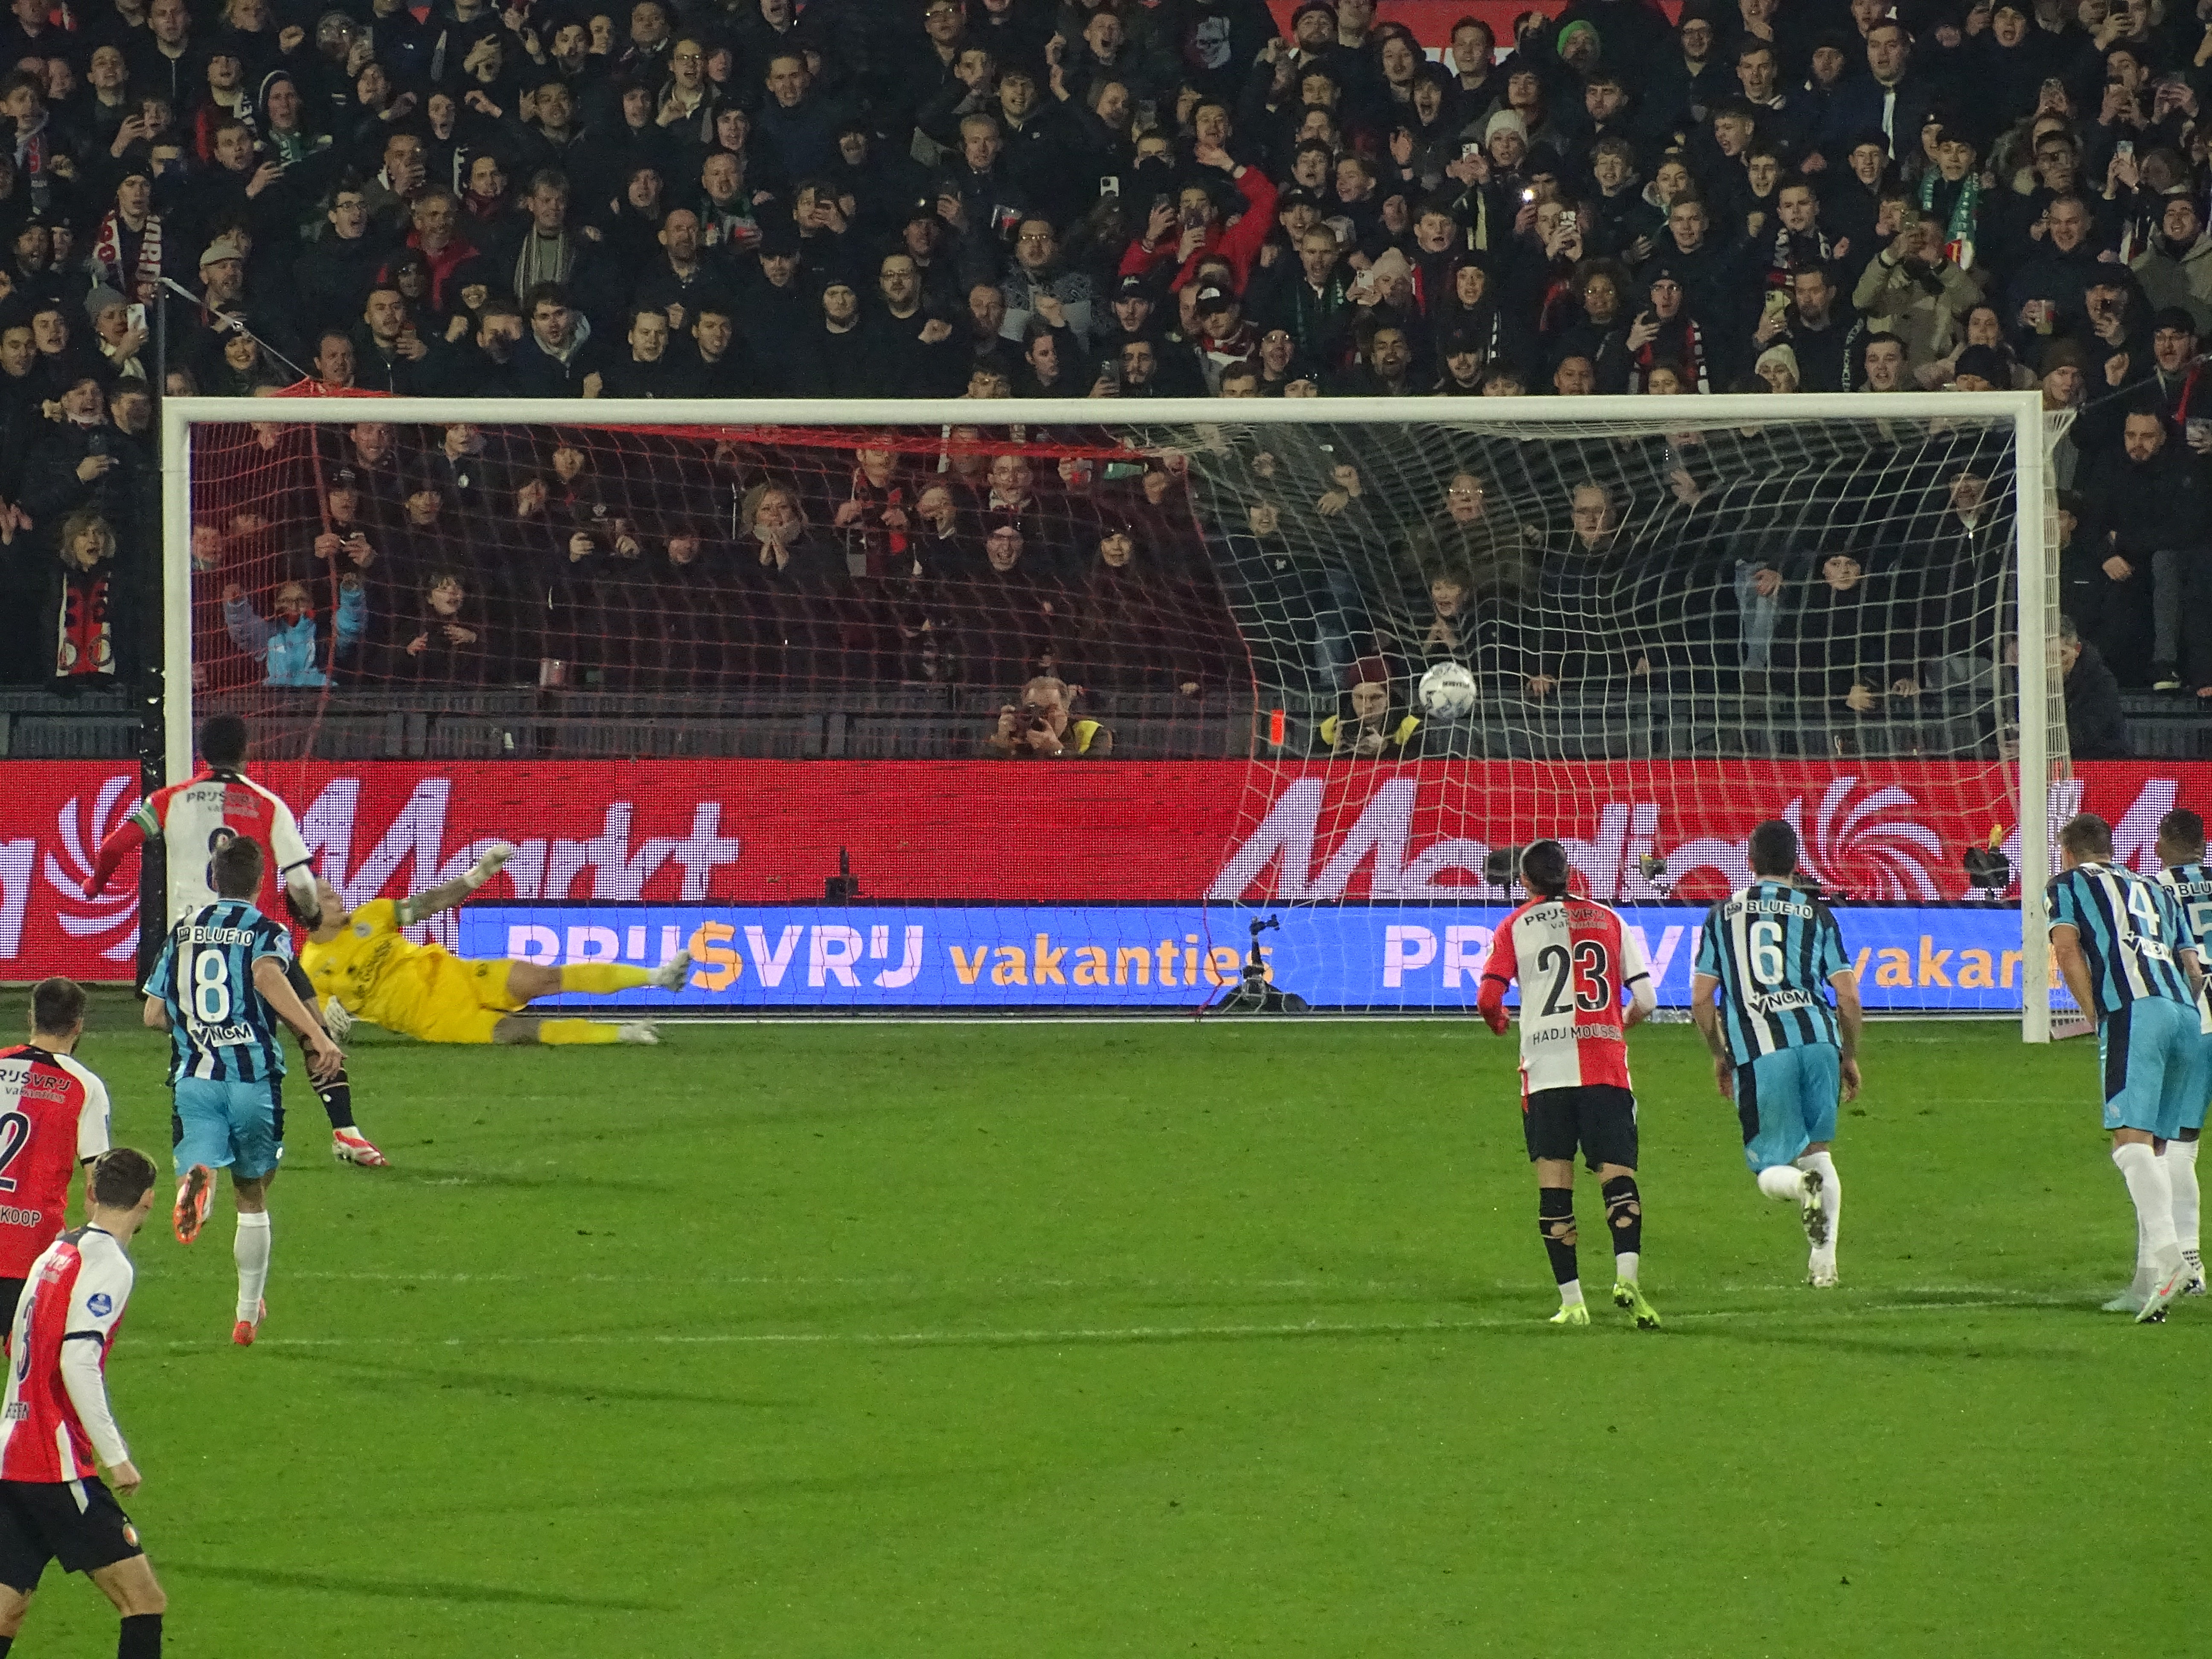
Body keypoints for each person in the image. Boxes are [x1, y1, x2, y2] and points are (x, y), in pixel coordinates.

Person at [81, 713, 386, 1167]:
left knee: (179, 1029)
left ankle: (197, 1142)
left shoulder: (168, 800)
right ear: (247, 752)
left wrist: (95, 885)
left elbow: (111, 847)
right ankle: (346, 1131)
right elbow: (301, 880)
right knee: (311, 1028)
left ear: (202, 752)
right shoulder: (267, 804)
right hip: (251, 940)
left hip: (189, 940)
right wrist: (311, 913)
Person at [143, 837, 342, 1345]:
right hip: (253, 1080)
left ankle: (198, 1177)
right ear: (259, 883)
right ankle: (247, 1314)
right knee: (253, 1196)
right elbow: (267, 976)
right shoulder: (265, 931)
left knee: (205, 1161)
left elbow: (153, 1014)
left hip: (195, 1080)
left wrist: (196, 1027)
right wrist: (316, 1035)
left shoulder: (183, 930)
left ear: (215, 878)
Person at [1474, 840, 1661, 1329]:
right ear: (1570, 874)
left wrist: (1498, 1022)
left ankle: (1573, 1303)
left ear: (1527, 883)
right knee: (1616, 1176)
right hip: (1605, 1069)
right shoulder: (1611, 920)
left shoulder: (1514, 925)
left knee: (1555, 1183)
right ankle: (1628, 1281)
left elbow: (1488, 996)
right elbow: (1647, 998)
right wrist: (1613, 1025)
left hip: (1546, 1073)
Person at [0, 1147, 166, 1659]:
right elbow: (77, 1362)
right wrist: (116, 1456)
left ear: (92, 1193)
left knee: (7, 1608)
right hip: (57, 1466)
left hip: (11, 1453)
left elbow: (19, 1347)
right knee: (144, 1601)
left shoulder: (53, 1252)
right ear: (148, 1202)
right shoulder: (110, 1265)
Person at [1690, 818, 1861, 1289]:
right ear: (1796, 863)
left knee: (1772, 1168)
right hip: (1820, 1041)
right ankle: (1824, 1266)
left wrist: (1720, 1054)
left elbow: (1702, 998)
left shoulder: (1721, 917)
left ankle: (1798, 1189)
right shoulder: (1818, 913)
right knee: (1817, 1152)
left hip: (1763, 1051)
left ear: (1749, 862)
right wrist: (1847, 1054)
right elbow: (1847, 994)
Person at [2049, 812, 2203, 1322]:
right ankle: (2146, 1288)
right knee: (2157, 1152)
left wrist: (2094, 1013)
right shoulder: (2157, 890)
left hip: (2136, 1011)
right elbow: (2193, 967)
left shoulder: (2067, 884)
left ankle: (2169, 1256)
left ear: (2070, 852)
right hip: (2187, 1012)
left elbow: (2068, 948)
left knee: (2129, 1142)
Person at [299, 847, 690, 1046]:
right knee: (521, 1033)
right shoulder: (310, 968)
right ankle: (622, 1035)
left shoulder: (373, 915)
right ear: (312, 911)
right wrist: (331, 1024)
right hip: (435, 1019)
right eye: (329, 897)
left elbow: (433, 901)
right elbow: (317, 1026)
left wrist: (478, 873)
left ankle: (660, 976)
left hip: (459, 975)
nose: (339, 897)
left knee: (543, 978)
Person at [0, 979, 112, 1330]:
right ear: (79, 1025)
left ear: (30, 1017)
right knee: (29, 1368)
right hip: (31, 1250)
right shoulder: (85, 1086)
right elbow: (99, 1184)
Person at [2154, 806, 2212, 1296]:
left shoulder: (2156, 888)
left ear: (2162, 842)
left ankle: (2189, 1265)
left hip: (2198, 1014)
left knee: (2180, 1144)